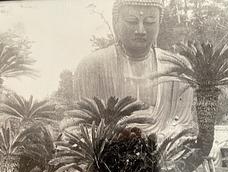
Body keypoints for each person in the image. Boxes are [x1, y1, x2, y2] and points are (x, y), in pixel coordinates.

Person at [73, 0, 194, 141]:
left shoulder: (177, 67)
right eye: (132, 21)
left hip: (162, 147)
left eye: (149, 22)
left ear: (159, 24)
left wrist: (154, 142)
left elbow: (182, 125)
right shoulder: (91, 66)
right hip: (110, 149)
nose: (141, 30)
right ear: (116, 23)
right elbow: (82, 126)